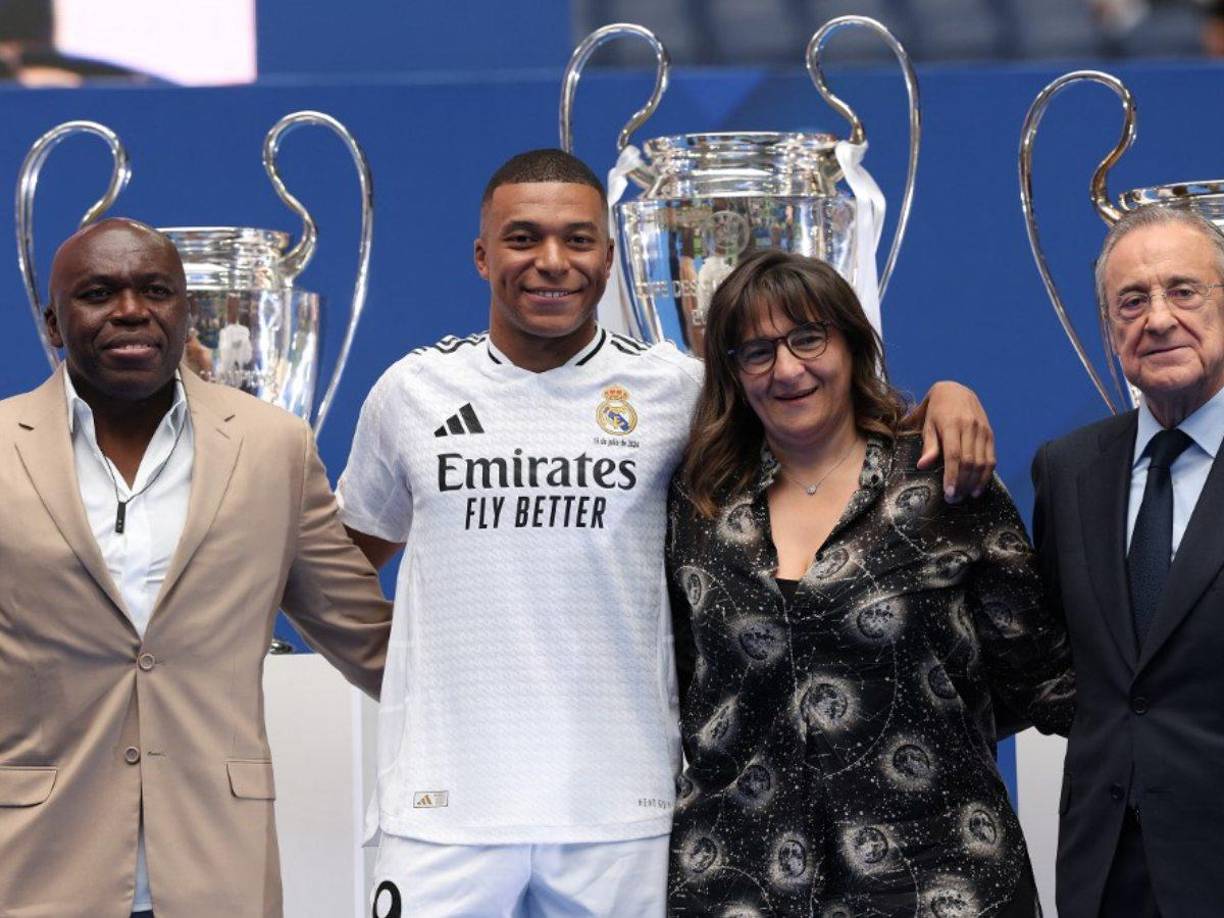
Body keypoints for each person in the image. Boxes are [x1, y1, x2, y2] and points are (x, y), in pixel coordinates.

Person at [338, 149, 999, 917]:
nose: (552, 261)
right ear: (482, 254)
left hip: (624, 817)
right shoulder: (411, 392)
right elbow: (348, 557)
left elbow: (824, 424)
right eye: (523, 238)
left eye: (578, 240)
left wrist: (946, 397)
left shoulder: (677, 389)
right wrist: (413, 672)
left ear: (611, 258)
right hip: (443, 816)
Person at [0, 218, 391, 917]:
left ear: (186, 314)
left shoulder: (274, 446)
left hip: (219, 868)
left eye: (155, 290)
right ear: (55, 324)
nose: (130, 310)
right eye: (99, 292)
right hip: (33, 864)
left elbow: (371, 639)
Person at [665, 249, 1074, 916]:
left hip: (940, 880)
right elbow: (681, 691)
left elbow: (1045, 682)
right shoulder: (697, 507)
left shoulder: (944, 481)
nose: (787, 368)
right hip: (737, 884)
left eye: (807, 337)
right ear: (732, 374)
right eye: (756, 351)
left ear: (852, 345)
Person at [1032, 205, 1224, 917]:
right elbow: (1047, 658)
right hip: (1105, 872)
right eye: (1132, 301)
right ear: (1110, 330)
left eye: (1185, 290)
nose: (1160, 318)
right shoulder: (1069, 469)